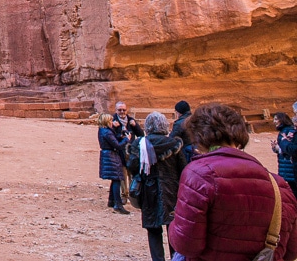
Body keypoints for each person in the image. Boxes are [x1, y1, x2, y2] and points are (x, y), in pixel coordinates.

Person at [169, 103, 297, 261]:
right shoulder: (280, 186)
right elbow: (290, 252)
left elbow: (186, 244)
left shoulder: (198, 174)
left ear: (199, 138)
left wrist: (176, 223)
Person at [126, 111, 185, 261]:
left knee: (153, 230)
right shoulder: (173, 144)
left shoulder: (139, 144)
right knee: (173, 228)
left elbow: (132, 165)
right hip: (172, 191)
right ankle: (175, 258)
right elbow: (183, 168)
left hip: (149, 191)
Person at [97, 112, 130, 215]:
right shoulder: (107, 132)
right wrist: (126, 139)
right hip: (111, 156)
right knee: (117, 179)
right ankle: (118, 204)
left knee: (115, 178)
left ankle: (112, 201)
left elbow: (113, 140)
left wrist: (119, 136)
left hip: (107, 155)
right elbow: (117, 145)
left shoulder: (103, 131)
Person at [272, 112, 297, 198]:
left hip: (289, 167)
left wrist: (281, 146)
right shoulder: (283, 131)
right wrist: (276, 148)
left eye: (276, 119)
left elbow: (290, 149)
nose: (274, 121)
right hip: (286, 166)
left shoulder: (290, 131)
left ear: (282, 120)